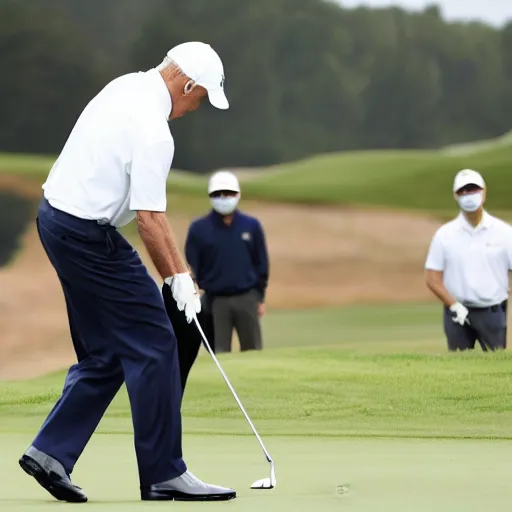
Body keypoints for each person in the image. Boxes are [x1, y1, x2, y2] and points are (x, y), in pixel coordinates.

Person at [18, 42, 236, 503]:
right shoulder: (154, 130)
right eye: (199, 99)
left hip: (56, 219)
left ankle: (50, 453)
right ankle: (164, 473)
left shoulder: (127, 86)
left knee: (107, 352)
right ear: (187, 83)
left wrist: (179, 275)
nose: (196, 108)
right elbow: (150, 219)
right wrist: (179, 279)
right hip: (84, 234)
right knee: (157, 341)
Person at [425, 168, 512, 352]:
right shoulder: (444, 235)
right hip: (457, 313)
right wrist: (454, 305)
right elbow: (432, 278)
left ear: (484, 192)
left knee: (496, 367)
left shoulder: (504, 232)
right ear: (456, 196)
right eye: (462, 191)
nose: (468, 195)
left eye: (473, 189)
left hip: (493, 312)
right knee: (458, 369)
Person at [184, 171, 269, 353]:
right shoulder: (199, 229)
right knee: (219, 353)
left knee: (253, 351)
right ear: (210, 196)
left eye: (228, 193)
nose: (223, 198)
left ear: (237, 194)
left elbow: (261, 263)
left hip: (247, 297)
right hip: (215, 301)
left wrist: (260, 297)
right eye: (217, 194)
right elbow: (192, 264)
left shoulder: (251, 226)